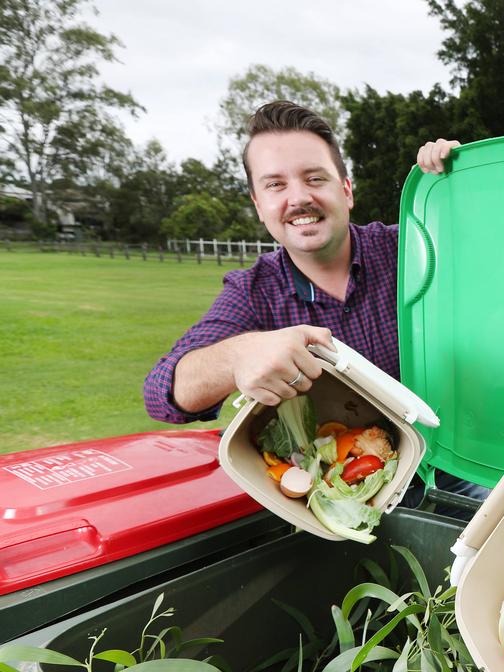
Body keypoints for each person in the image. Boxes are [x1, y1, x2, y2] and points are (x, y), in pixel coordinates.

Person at [143, 101, 480, 515]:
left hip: (455, 471)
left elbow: (500, 258)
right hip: (342, 498)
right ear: (258, 204)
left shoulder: (409, 250)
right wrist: (237, 355)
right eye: (276, 185)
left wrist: (465, 187)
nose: (299, 198)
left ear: (346, 189)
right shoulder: (254, 292)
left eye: (314, 178)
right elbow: (162, 392)